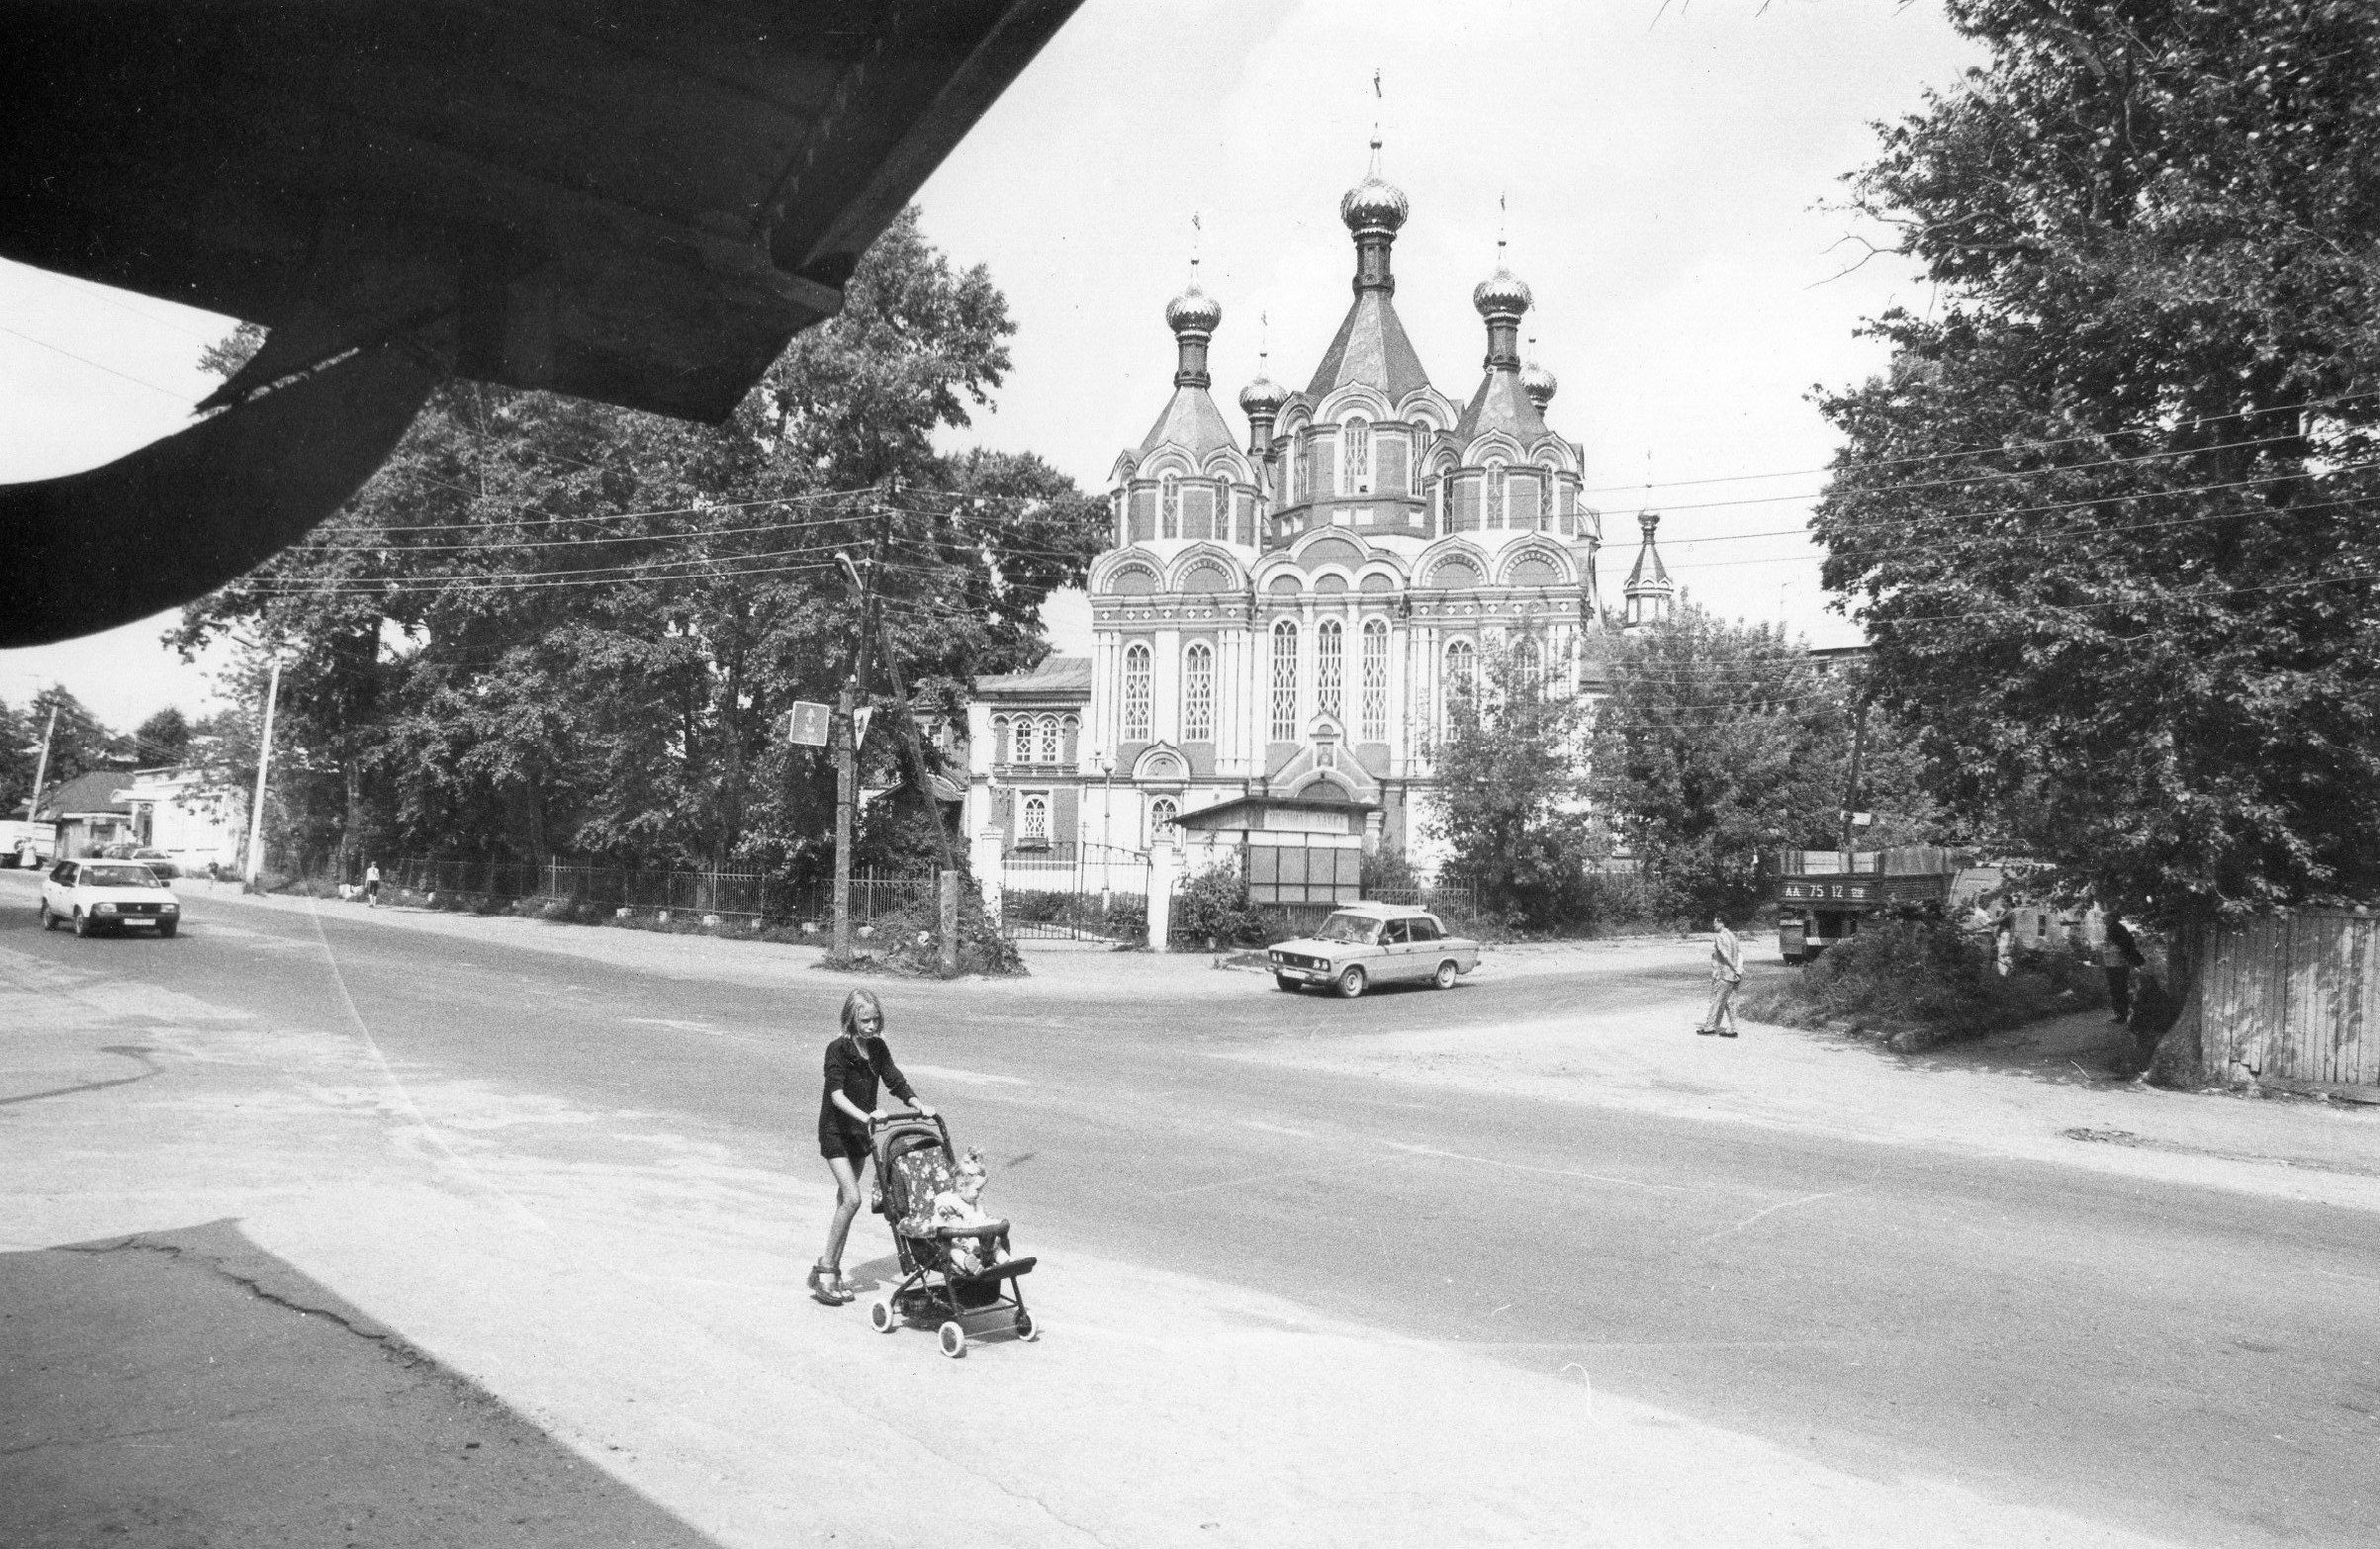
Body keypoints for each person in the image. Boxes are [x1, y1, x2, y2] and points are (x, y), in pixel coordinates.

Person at [811, 988, 936, 1306]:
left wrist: (918, 1104)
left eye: (875, 1019)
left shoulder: (878, 1049)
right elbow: (837, 1096)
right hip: (836, 1132)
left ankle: (827, 1268)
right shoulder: (836, 1050)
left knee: (844, 1202)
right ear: (851, 1019)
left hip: (859, 1136)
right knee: (852, 1199)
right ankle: (827, 1268)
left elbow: (894, 1079)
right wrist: (867, 1115)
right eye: (864, 1020)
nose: (870, 1025)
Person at [1695, 914, 1743, 1038]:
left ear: (1722, 923)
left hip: (1724, 973)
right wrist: (1738, 969)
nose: (1713, 925)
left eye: (1715, 923)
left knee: (1717, 1000)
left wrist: (1733, 967)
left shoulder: (1719, 937)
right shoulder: (1733, 936)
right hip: (1735, 975)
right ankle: (1733, 1028)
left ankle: (1710, 1027)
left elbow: (1725, 955)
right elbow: (1739, 953)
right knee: (1730, 1002)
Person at [2102, 913, 2147, 1024]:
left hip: (2117, 965)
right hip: (2113, 964)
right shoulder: (2114, 928)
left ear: (2111, 918)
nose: (2102, 921)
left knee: (2119, 990)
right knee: (2117, 990)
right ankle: (2121, 1015)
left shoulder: (2116, 929)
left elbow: (2124, 946)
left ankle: (2121, 1016)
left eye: (2104, 919)